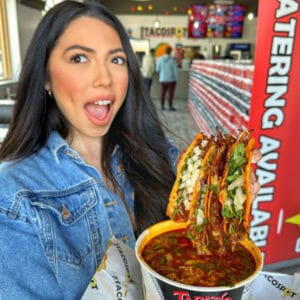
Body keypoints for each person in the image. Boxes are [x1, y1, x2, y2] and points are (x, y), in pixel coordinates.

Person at [0, 1, 179, 298]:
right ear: (45, 75)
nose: (105, 79)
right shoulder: (14, 199)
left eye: (117, 60)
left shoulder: (158, 154)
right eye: (80, 58)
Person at [156, 46, 178, 111]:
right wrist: (176, 79)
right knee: (170, 94)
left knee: (162, 93)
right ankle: (170, 106)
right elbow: (175, 71)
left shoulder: (160, 59)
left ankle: (162, 106)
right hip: (171, 80)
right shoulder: (172, 60)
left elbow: (157, 69)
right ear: (170, 52)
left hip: (162, 79)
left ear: (164, 51)